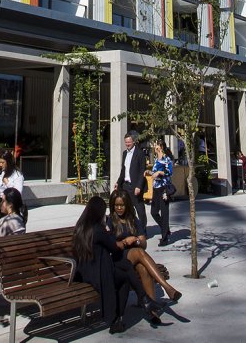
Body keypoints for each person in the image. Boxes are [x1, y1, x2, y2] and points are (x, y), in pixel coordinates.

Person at [107, 188, 180, 325]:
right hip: (118, 259)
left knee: (143, 269)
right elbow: (110, 244)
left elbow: (144, 243)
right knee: (138, 252)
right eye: (116, 205)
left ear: (127, 205)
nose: (119, 208)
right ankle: (166, 286)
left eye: (121, 205)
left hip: (135, 258)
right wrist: (124, 241)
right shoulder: (110, 221)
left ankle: (152, 312)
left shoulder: (133, 220)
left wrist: (136, 240)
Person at [72, 194, 135, 333]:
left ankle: (141, 300)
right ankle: (117, 318)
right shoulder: (98, 229)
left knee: (124, 270)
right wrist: (122, 240)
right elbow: (113, 246)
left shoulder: (80, 227)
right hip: (97, 274)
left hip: (83, 273)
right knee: (124, 278)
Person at [115, 133, 148, 229]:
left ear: (133, 141)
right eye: (126, 142)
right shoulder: (125, 153)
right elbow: (123, 170)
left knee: (140, 209)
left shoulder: (140, 153)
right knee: (127, 209)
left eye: (129, 142)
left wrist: (139, 186)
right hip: (126, 185)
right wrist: (118, 182)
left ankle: (143, 230)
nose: (127, 144)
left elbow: (143, 171)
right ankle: (129, 228)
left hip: (135, 186)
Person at [149, 140, 173, 246]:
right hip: (156, 188)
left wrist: (159, 172)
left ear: (161, 147)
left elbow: (169, 172)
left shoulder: (166, 159)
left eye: (156, 145)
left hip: (164, 188)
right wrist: (149, 172)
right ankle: (165, 228)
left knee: (164, 212)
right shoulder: (156, 159)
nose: (155, 147)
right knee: (154, 212)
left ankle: (164, 238)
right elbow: (154, 173)